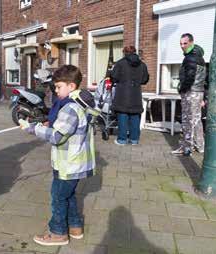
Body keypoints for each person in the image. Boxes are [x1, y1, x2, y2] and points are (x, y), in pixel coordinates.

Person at [19, 65, 97, 246]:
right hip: (74, 162)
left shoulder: (70, 107)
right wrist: (49, 124)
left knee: (58, 197)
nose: (55, 90)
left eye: (58, 86)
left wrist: (33, 128)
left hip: (68, 163)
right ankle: (75, 227)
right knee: (68, 195)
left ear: (71, 86)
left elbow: (57, 136)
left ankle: (58, 233)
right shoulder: (80, 103)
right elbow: (64, 128)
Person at [171, 33, 206, 156]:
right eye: (181, 43)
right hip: (199, 92)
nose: (182, 46)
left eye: (185, 43)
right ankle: (200, 145)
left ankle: (186, 148)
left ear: (191, 42)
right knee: (196, 120)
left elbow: (190, 77)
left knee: (187, 120)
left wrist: (182, 89)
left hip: (190, 92)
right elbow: (202, 78)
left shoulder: (190, 57)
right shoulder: (200, 57)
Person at [111, 46, 149, 145]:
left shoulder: (120, 63)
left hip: (123, 94)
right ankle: (134, 139)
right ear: (135, 52)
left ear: (124, 52)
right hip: (136, 93)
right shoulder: (142, 64)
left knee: (122, 115)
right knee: (135, 115)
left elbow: (114, 77)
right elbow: (145, 80)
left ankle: (122, 140)